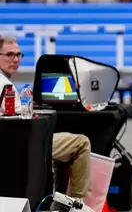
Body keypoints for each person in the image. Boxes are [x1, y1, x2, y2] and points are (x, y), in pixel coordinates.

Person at [0, 36, 91, 211]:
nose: (16, 59)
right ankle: (77, 205)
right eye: (10, 55)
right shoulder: (4, 85)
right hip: (21, 145)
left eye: (19, 55)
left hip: (13, 141)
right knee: (81, 142)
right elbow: (17, 120)